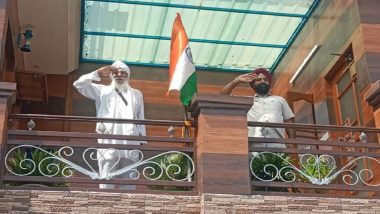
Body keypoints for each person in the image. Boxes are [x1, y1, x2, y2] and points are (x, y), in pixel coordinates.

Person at [73, 60, 146, 190]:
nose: (120, 75)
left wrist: (142, 139)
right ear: (111, 75)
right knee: (106, 176)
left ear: (128, 76)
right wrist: (97, 73)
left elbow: (140, 117)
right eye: (116, 72)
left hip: (130, 140)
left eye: (123, 72)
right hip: (108, 138)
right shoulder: (102, 90)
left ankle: (127, 206)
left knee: (129, 179)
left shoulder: (137, 94)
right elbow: (79, 84)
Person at [220, 67, 295, 147]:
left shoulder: (280, 100)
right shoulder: (246, 100)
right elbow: (223, 96)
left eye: (265, 79)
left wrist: (292, 142)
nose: (262, 81)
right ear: (253, 84)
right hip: (254, 146)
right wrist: (236, 81)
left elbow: (288, 121)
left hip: (277, 145)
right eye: (258, 80)